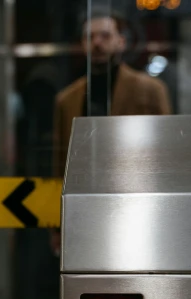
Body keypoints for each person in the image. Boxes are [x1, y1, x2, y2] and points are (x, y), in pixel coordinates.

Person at [52, 9, 172, 180]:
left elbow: (166, 148)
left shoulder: (151, 90)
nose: (97, 42)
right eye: (90, 37)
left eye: (105, 35)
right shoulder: (67, 99)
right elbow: (62, 160)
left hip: (138, 183)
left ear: (121, 41)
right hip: (85, 185)